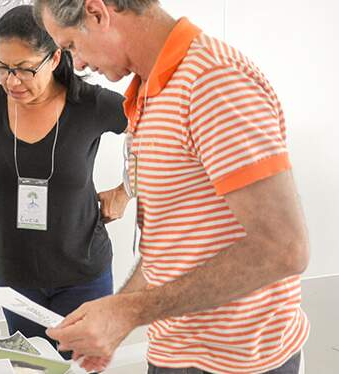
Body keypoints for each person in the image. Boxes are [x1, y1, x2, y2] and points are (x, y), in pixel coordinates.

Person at [34, 0, 310, 372]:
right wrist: (119, 316)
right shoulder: (151, 91)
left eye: (70, 46)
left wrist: (130, 311)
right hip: (174, 352)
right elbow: (174, 241)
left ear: (97, 12)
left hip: (239, 364)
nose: (78, 63)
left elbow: (284, 249)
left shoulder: (214, 82)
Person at [0, 5, 129, 358]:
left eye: (25, 70)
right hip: (14, 275)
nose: (12, 81)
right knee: (29, 366)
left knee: (81, 367)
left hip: (82, 272)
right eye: (3, 68)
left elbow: (157, 129)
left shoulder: (91, 104)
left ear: (55, 58)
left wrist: (126, 190)